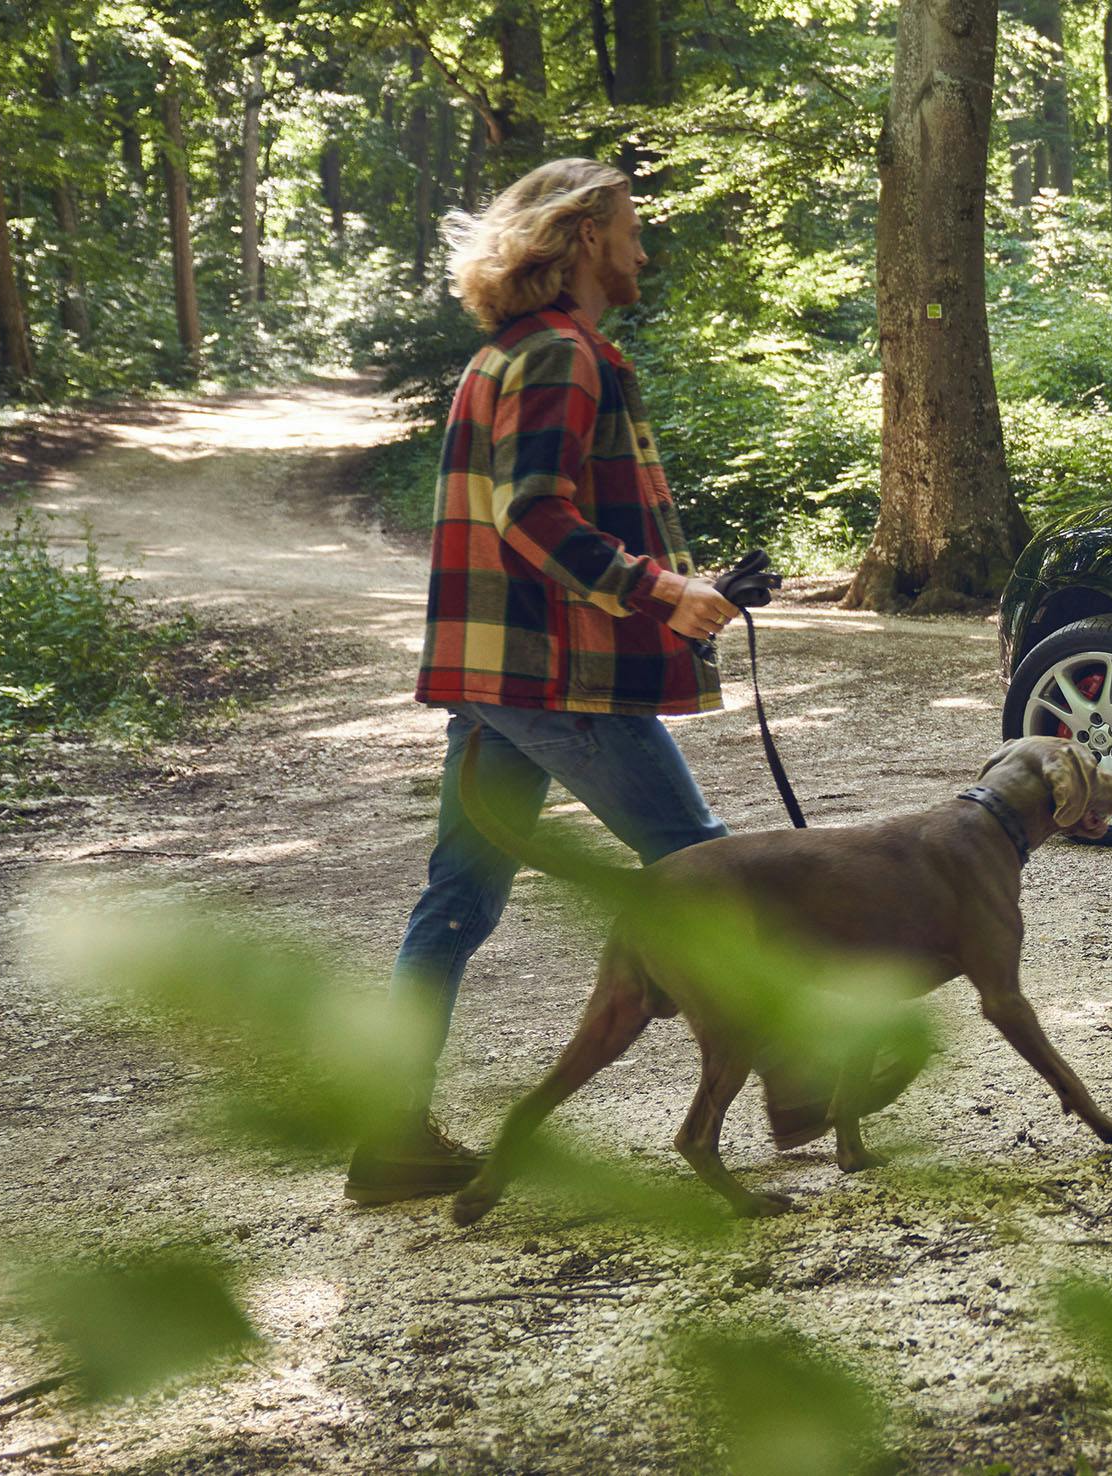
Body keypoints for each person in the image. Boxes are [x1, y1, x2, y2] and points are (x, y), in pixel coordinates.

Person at [352, 158, 744, 1206]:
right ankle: (800, 1083)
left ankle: (390, 1136)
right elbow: (531, 513)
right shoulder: (565, 359)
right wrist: (659, 589)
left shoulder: (505, 357)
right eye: (628, 231)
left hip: (495, 677)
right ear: (582, 240)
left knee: (456, 901)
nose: (642, 250)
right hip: (553, 677)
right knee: (706, 870)